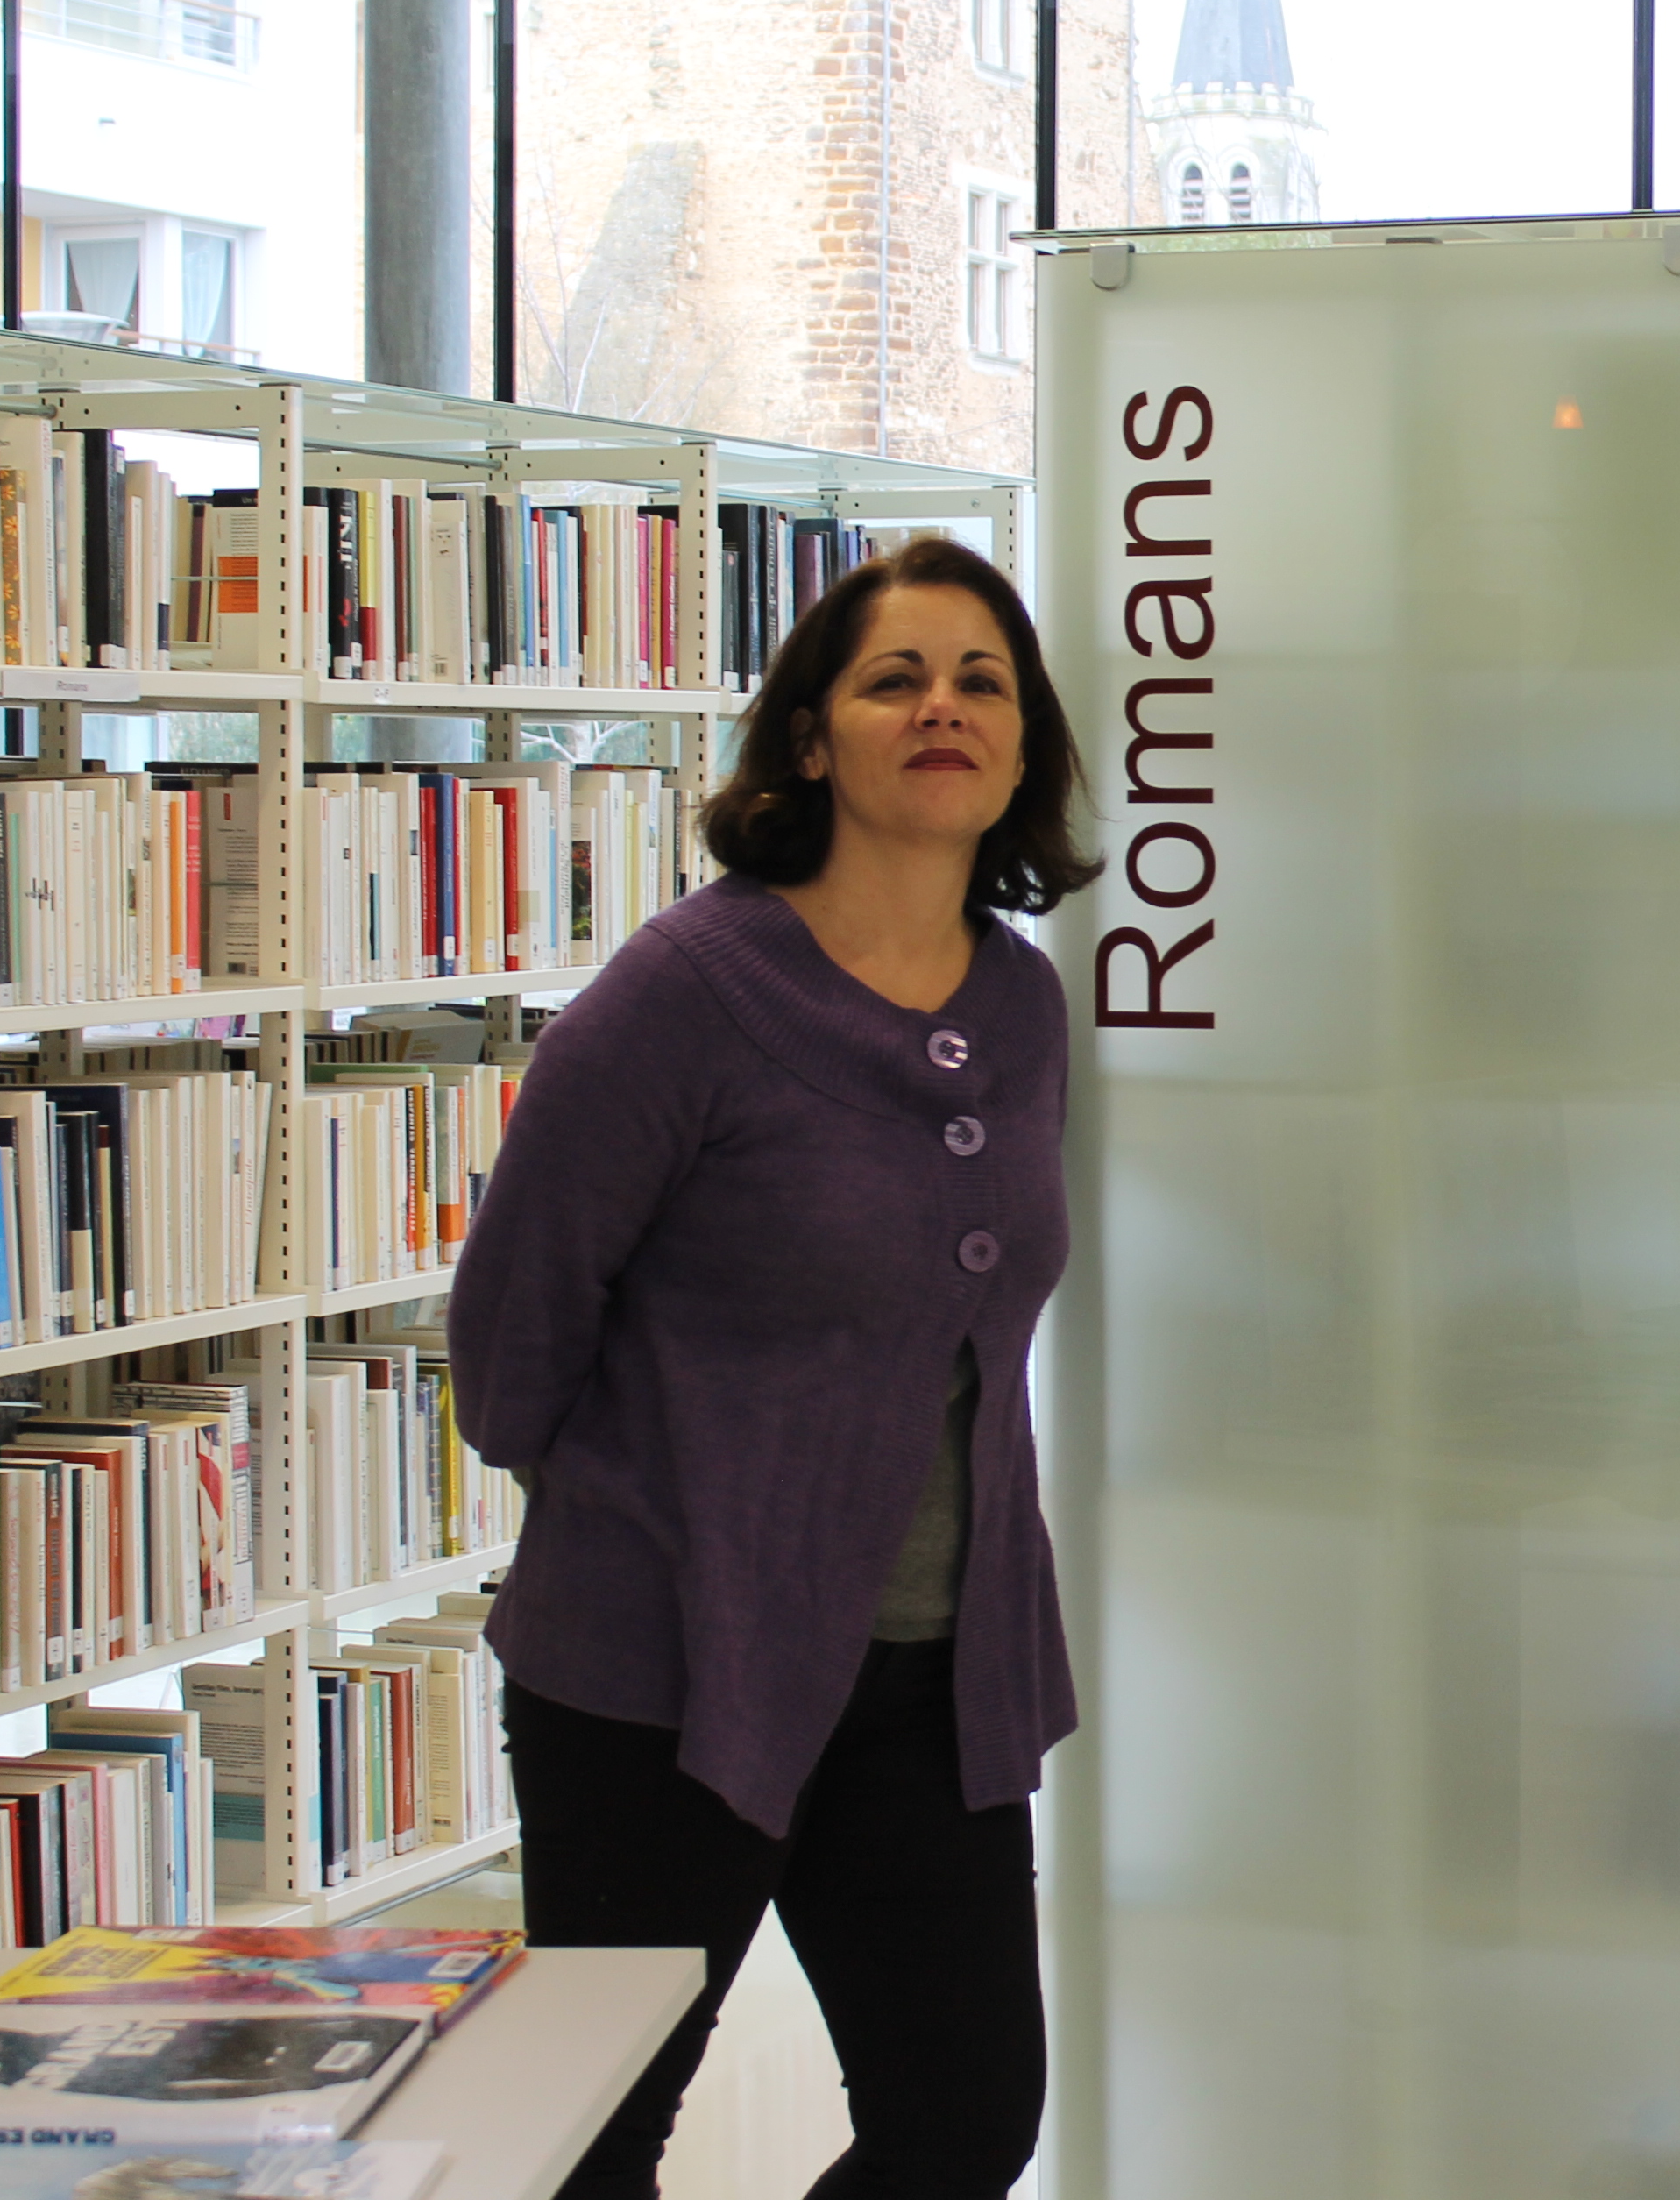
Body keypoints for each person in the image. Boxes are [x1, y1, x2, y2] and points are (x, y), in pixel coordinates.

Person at [450, 536, 1097, 2199]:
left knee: (964, 2122)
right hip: (664, 1671)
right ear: (811, 739)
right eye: (895, 680)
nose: (943, 707)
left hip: (933, 1679)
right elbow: (514, 1333)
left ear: (1023, 746)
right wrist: (664, 1513)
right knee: (600, 2142)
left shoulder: (1022, 1007)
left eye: (982, 682)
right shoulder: (684, 994)